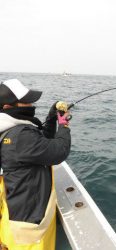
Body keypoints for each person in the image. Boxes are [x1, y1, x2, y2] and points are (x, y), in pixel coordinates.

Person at [0, 79, 71, 250]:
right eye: (26, 101)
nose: (31, 104)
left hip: (16, 211)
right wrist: (64, 126)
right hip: (28, 226)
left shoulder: (12, 129)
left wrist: (51, 118)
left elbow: (40, 143)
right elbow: (58, 151)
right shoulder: (20, 136)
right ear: (8, 107)